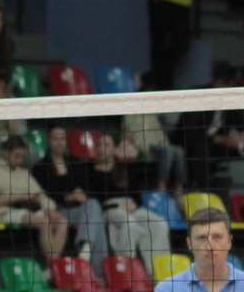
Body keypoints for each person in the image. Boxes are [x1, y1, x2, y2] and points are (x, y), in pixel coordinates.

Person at [0, 136, 66, 266]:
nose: (20, 160)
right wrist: (19, 197)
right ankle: (54, 267)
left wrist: (48, 208)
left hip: (28, 209)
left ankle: (53, 265)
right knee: (44, 222)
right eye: (16, 156)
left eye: (22, 157)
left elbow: (40, 195)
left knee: (61, 221)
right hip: (5, 212)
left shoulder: (23, 173)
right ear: (6, 152)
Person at [88, 130, 167, 271]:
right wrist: (117, 205)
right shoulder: (90, 172)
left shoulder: (125, 170)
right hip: (109, 209)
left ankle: (156, 271)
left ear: (115, 149)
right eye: (99, 145)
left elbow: (137, 198)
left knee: (159, 224)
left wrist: (133, 205)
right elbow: (94, 202)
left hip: (131, 207)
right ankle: (126, 269)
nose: (102, 148)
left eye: (106, 145)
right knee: (128, 222)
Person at [190, 62, 244, 191]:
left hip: (218, 146)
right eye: (221, 84)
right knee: (201, 146)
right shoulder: (197, 95)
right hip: (195, 144)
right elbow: (192, 133)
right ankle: (203, 188)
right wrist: (224, 140)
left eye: (228, 85)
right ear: (215, 81)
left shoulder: (230, 100)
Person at [32, 124, 102, 267]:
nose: (59, 142)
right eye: (55, 139)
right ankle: (94, 265)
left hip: (80, 210)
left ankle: (86, 248)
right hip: (58, 211)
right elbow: (44, 195)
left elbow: (86, 187)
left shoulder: (75, 163)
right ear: (48, 141)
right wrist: (67, 197)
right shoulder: (40, 167)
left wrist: (82, 195)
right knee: (97, 221)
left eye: (62, 139)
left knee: (93, 205)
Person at [121, 109, 186, 196]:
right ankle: (161, 186)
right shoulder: (130, 115)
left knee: (178, 150)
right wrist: (144, 148)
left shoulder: (151, 114)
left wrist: (166, 144)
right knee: (167, 151)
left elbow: (159, 132)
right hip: (145, 146)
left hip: (159, 145)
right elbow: (132, 134)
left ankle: (179, 186)